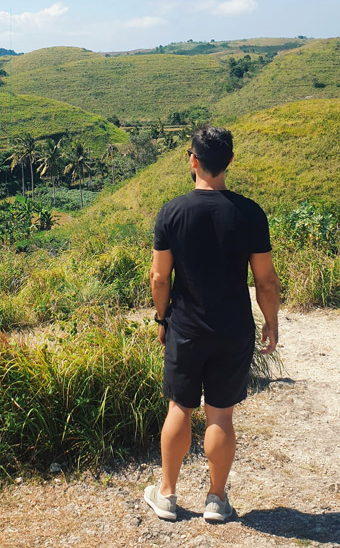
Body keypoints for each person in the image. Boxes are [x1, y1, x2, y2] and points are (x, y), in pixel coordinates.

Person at [143, 126, 280, 523]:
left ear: (193, 160)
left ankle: (166, 495)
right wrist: (271, 321)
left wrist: (161, 317)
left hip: (184, 328)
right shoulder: (250, 212)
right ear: (230, 162)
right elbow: (265, 280)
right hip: (233, 329)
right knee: (220, 415)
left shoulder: (171, 212)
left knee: (180, 408)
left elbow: (159, 277)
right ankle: (216, 500)